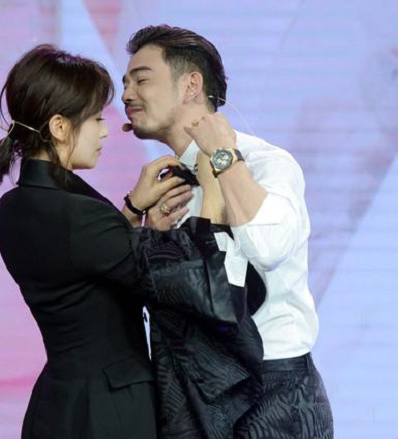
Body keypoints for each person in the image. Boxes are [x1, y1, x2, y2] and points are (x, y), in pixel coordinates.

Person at [0, 44, 253, 439]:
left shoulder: (16, 206)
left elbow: (88, 268)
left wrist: (131, 210)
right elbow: (206, 292)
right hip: (107, 410)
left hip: (60, 403)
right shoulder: (76, 216)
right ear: (59, 127)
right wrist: (212, 189)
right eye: (95, 118)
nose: (105, 130)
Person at [122, 25, 334, 438]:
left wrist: (222, 156)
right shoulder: (166, 188)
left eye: (141, 79)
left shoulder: (267, 163)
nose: (127, 94)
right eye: (125, 82)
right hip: (189, 393)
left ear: (191, 85)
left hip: (271, 392)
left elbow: (268, 246)